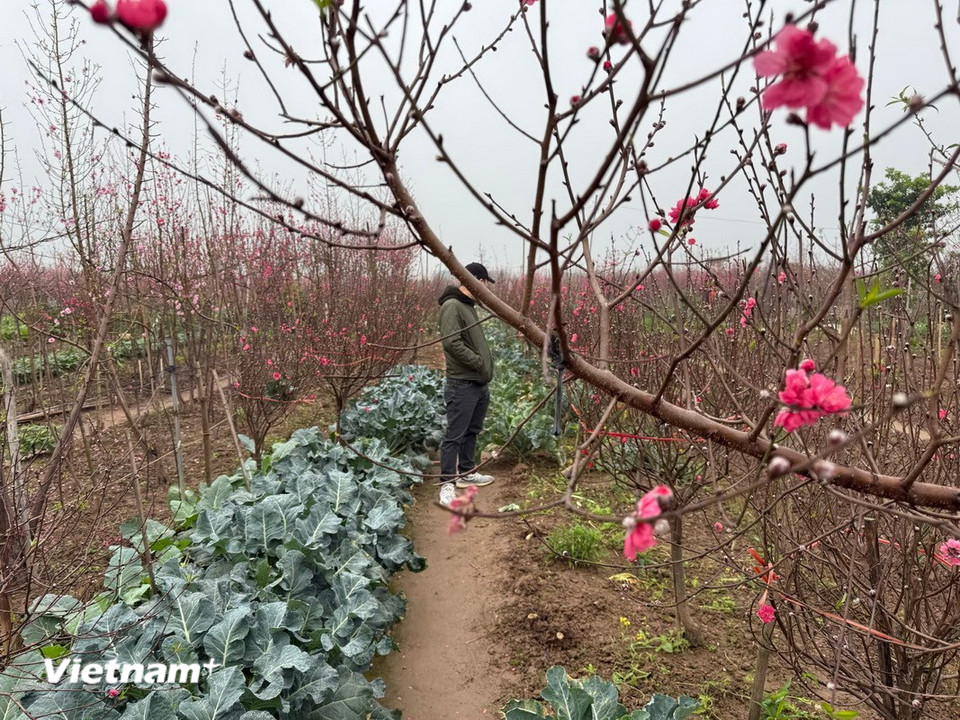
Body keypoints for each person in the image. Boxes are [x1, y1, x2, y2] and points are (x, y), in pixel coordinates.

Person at [438, 262, 496, 489]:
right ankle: (446, 483)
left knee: (472, 431)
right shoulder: (452, 305)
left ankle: (466, 472)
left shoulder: (468, 306)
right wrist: (479, 363)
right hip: (462, 383)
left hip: (477, 383)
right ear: (475, 281)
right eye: (483, 282)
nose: (485, 287)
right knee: (455, 434)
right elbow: (452, 343)